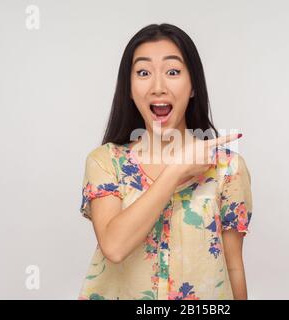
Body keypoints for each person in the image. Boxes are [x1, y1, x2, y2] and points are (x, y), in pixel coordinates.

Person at [78, 23, 253, 300]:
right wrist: (176, 171)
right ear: (129, 88)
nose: (158, 86)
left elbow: (233, 266)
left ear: (193, 86)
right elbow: (114, 246)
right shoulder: (106, 162)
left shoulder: (227, 170)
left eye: (173, 72)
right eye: (143, 73)